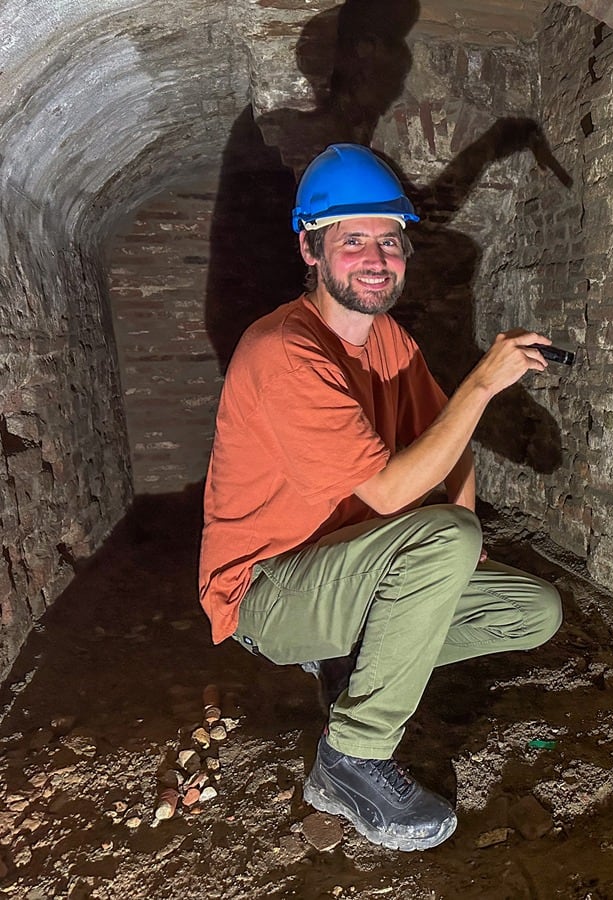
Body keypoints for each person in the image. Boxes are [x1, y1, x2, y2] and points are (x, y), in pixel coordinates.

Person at [198, 143, 563, 851]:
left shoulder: (389, 339)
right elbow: (395, 488)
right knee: (441, 539)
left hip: (348, 568)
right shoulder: (282, 350)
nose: (377, 257)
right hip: (267, 590)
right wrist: (483, 383)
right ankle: (351, 759)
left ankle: (348, 661)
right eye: (353, 239)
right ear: (310, 248)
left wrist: (462, 537)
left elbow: (443, 444)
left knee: (534, 610)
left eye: (390, 241)